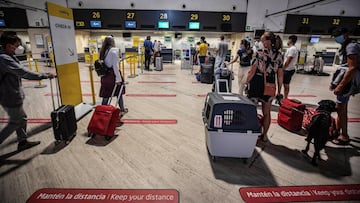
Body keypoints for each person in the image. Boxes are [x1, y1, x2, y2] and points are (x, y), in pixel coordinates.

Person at [0, 31, 55, 150]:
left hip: (12, 94)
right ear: (9, 46)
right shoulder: (4, 59)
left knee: (21, 119)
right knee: (16, 121)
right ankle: (22, 141)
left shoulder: (9, 56)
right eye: (17, 45)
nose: (19, 47)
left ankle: (22, 142)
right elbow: (23, 72)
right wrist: (44, 75)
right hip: (9, 96)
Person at [245, 32, 284, 142]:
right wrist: (279, 91)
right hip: (270, 85)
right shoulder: (279, 55)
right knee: (267, 112)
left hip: (256, 83)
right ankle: (265, 135)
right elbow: (280, 75)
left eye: (262, 41)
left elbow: (252, 71)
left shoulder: (259, 53)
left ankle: (253, 134)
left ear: (268, 42)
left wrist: (246, 83)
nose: (260, 43)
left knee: (252, 111)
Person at [330, 27, 359, 145]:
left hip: (348, 81)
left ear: (346, 35)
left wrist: (340, 86)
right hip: (347, 80)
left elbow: (352, 68)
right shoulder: (347, 46)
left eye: (338, 36)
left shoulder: (351, 46)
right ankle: (338, 130)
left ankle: (344, 135)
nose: (337, 38)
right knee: (342, 107)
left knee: (340, 107)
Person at [99, 36, 127, 114]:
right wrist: (118, 79)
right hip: (112, 76)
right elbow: (115, 66)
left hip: (105, 76)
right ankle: (122, 109)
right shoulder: (114, 51)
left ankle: (102, 111)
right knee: (119, 93)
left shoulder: (102, 51)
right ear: (112, 42)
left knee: (106, 95)